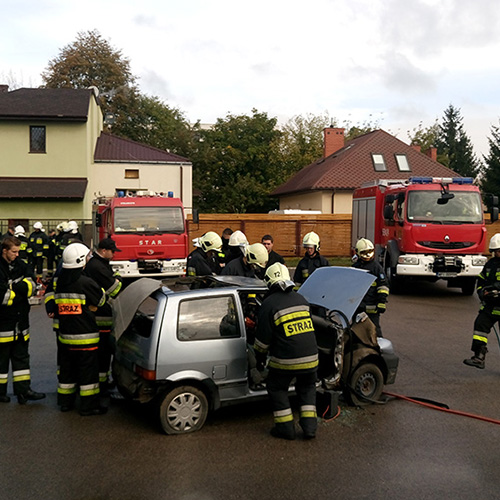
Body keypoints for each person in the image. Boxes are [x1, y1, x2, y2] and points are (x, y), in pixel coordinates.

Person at [254, 262, 318, 440]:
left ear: (269, 282)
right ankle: (310, 428)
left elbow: (262, 341)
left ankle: (285, 428)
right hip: (312, 358)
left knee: (277, 387)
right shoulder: (302, 299)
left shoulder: (269, 304)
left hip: (286, 360)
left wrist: (259, 360)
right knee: (307, 388)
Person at [54, 243, 107, 415]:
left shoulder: (60, 282)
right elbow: (100, 301)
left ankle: (65, 402)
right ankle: (88, 406)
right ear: (81, 261)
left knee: (67, 370)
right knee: (88, 373)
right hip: (86, 336)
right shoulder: (86, 282)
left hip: (65, 335)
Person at [0, 236, 46, 404]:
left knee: (22, 358)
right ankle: (0, 393)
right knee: (1, 360)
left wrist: (13, 288)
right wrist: (19, 291)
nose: (17, 255)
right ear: (4, 251)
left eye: (18, 251)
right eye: (14, 251)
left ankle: (23, 391)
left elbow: (33, 286)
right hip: (3, 323)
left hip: (21, 322)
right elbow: (2, 297)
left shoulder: (22, 265)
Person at [83, 238, 123, 393]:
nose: (114, 255)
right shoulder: (98, 267)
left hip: (101, 314)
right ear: (104, 251)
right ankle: (101, 384)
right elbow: (115, 289)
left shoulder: (99, 264)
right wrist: (118, 278)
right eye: (112, 252)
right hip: (101, 317)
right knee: (103, 352)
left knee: (104, 353)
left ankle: (103, 380)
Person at [464, 233, 500, 369]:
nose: (497, 254)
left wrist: (496, 288)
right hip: (490, 305)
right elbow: (481, 280)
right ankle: (479, 357)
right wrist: (482, 292)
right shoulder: (490, 264)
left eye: (499, 251)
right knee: (480, 326)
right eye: (495, 251)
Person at [352, 238, 389, 337]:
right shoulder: (355, 267)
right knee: (356, 331)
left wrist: (381, 301)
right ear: (358, 253)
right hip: (358, 307)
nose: (368, 255)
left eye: (370, 252)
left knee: (374, 331)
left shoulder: (376, 267)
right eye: (365, 252)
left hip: (372, 307)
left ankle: (378, 349)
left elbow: (383, 286)